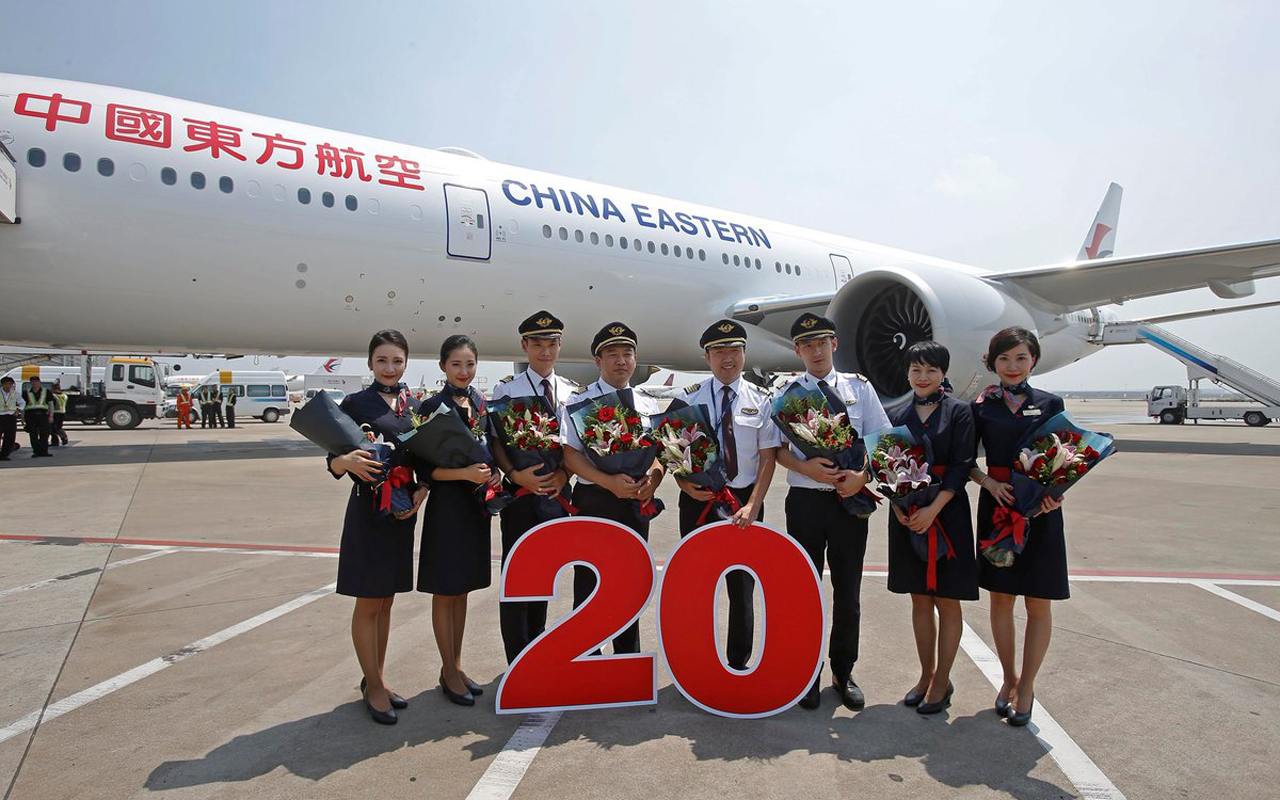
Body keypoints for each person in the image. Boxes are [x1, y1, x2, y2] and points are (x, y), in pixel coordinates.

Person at [773, 313, 889, 710]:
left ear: (834, 345)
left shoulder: (860, 389)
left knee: (847, 590)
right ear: (797, 351)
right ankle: (807, 673)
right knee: (804, 590)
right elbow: (778, 450)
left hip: (848, 502)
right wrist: (805, 467)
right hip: (806, 501)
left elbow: (881, 441)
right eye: (807, 345)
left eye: (822, 343)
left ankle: (843, 670)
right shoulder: (787, 393)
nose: (816, 351)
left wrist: (862, 476)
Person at [327, 329, 428, 725]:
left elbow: (424, 459)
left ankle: (377, 679)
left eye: (397, 361)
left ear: (406, 364)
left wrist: (421, 493)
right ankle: (372, 684)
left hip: (402, 514)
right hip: (368, 513)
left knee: (386, 601)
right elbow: (333, 459)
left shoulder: (414, 405)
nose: (390, 368)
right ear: (370, 363)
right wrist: (345, 463)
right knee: (368, 601)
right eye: (382, 360)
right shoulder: (354, 404)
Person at [967, 326, 1067, 727]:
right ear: (992, 363)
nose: (1012, 366)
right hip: (998, 507)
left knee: (1038, 601)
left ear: (1034, 361)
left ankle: (1027, 686)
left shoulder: (1050, 402)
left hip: (1041, 512)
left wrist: (1056, 495)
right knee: (1001, 599)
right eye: (1004, 359)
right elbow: (965, 462)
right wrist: (989, 483)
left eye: (1021, 358)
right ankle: (1008, 678)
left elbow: (1067, 455)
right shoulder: (981, 407)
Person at [670, 319, 780, 670]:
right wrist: (683, 484)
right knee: (696, 583)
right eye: (719, 351)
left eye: (734, 350)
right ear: (707, 357)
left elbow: (768, 458)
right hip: (697, 500)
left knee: (741, 586)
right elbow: (673, 453)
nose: (727, 358)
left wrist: (753, 504)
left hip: (744, 500)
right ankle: (696, 661)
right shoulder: (687, 399)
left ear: (745, 353)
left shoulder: (762, 400)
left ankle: (738, 663)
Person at [885, 341, 978, 715]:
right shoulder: (898, 413)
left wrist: (935, 509)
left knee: (947, 599)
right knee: (919, 599)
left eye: (931, 370)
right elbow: (887, 463)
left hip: (948, 511)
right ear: (907, 373)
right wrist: (896, 506)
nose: (923, 377)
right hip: (908, 512)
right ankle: (925, 675)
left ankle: (943, 679)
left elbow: (962, 464)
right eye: (916, 370)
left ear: (943, 373)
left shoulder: (959, 412)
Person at [563, 321, 665, 655]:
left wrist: (654, 479)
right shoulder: (580, 403)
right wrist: (609, 482)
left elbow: (661, 454)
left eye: (627, 354)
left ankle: (626, 655)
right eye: (612, 355)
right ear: (598, 361)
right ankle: (587, 653)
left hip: (635, 501)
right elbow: (570, 456)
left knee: (630, 582)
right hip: (595, 499)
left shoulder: (649, 403)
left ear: (636, 360)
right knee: (589, 580)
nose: (620, 361)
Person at [489, 311, 578, 664]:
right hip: (522, 498)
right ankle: (516, 658)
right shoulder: (506, 392)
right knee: (517, 579)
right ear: (524, 346)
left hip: (559, 497)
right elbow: (495, 441)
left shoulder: (572, 392)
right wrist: (514, 474)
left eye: (551, 344)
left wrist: (565, 477)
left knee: (543, 576)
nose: (545, 351)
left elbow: (577, 447)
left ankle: (536, 650)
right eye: (537, 344)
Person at [416, 334, 498, 706]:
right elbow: (425, 471)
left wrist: (495, 475)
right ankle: (447, 670)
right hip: (448, 507)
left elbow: (492, 451)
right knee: (445, 591)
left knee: (462, 590)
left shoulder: (482, 404)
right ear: (442, 367)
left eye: (469, 364)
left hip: (476, 509)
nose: (464, 371)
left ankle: (457, 664)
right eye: (456, 365)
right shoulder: (432, 407)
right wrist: (463, 475)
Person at [22, 375, 54, 458]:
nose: (35, 383)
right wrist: (23, 418)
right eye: (33, 382)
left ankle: (44, 451)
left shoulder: (46, 392)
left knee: (44, 433)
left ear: (39, 382)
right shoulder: (26, 393)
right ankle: (36, 451)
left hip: (43, 415)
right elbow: (23, 406)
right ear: (31, 383)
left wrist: (51, 415)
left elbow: (51, 404)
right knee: (33, 434)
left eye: (36, 381)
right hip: (30, 415)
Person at [0, 375, 23, 460]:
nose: (8, 386)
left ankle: (4, 455)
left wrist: (19, 410)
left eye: (10, 384)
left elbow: (22, 402)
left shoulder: (15, 393)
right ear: (2, 384)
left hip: (11, 417)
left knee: (9, 436)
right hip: (0, 416)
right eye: (6, 384)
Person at [49, 382, 69, 446]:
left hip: (55, 413)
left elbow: (52, 405)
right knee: (58, 427)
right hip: (62, 412)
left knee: (53, 428)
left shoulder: (53, 396)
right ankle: (58, 440)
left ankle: (59, 439)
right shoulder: (64, 396)